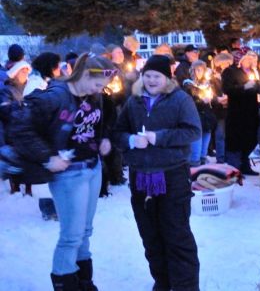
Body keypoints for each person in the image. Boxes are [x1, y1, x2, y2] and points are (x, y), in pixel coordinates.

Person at [7, 53, 114, 290]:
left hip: (92, 168)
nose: (100, 90)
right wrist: (47, 157)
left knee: (85, 231)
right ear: (85, 74)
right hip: (69, 175)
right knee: (72, 236)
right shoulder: (55, 96)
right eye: (97, 84)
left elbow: (102, 120)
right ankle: (65, 283)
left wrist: (104, 138)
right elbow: (20, 127)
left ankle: (84, 282)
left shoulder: (94, 95)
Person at [113, 54, 202, 291]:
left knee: (177, 235)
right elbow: (118, 133)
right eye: (148, 75)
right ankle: (162, 282)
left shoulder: (180, 100)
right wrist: (131, 140)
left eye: (157, 76)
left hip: (172, 175)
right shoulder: (134, 101)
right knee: (151, 236)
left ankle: (185, 286)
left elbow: (193, 131)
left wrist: (159, 137)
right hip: (140, 177)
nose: (152, 80)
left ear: (167, 78)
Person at [24, 53, 63, 219]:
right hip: (40, 134)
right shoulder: (36, 85)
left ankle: (53, 207)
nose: (59, 69)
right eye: (57, 66)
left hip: (48, 132)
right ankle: (48, 209)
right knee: (43, 175)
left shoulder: (44, 83)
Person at [222, 49, 260, 175]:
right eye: (247, 59)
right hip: (237, 112)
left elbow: (259, 87)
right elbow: (227, 89)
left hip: (252, 111)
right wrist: (244, 87)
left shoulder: (254, 71)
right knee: (236, 140)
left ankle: (245, 164)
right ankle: (234, 167)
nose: (250, 61)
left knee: (250, 138)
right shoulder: (230, 71)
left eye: (251, 59)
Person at [1, 61, 33, 196]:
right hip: (12, 130)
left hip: (29, 129)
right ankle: (15, 187)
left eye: (27, 71)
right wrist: (21, 108)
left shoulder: (31, 87)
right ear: (15, 73)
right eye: (22, 71)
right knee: (15, 159)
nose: (25, 74)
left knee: (29, 158)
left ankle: (28, 188)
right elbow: (3, 110)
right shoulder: (7, 90)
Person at [183, 60, 216, 166]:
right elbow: (191, 100)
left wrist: (212, 98)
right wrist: (202, 101)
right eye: (196, 70)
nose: (198, 72)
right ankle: (195, 163)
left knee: (205, 140)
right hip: (196, 116)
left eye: (201, 70)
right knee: (197, 141)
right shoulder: (188, 84)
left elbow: (212, 97)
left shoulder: (207, 83)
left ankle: (202, 159)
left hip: (207, 116)